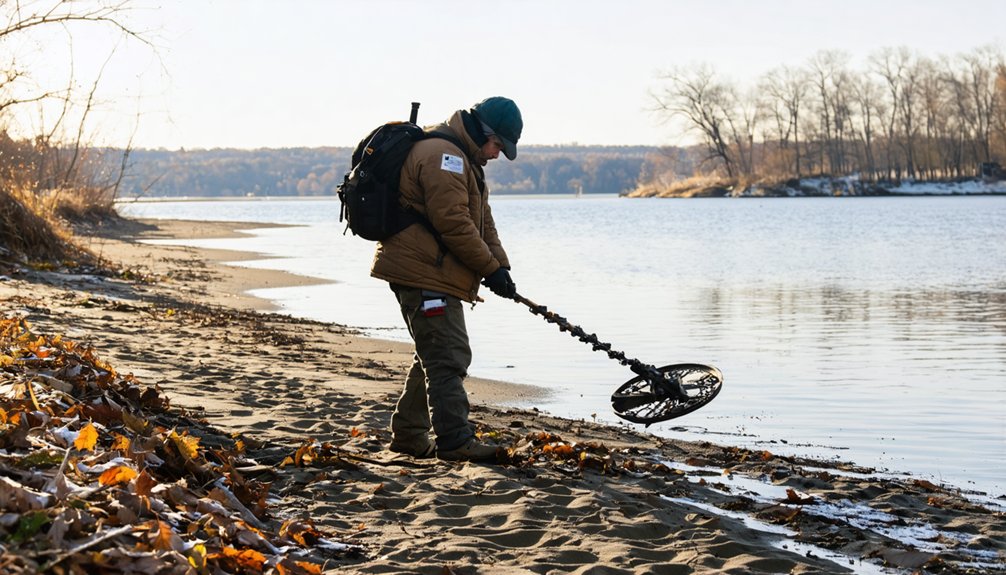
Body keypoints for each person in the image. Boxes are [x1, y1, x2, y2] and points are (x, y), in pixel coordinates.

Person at [370, 96, 522, 462]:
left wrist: (501, 267)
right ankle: (455, 441)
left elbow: (482, 221)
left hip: (431, 270)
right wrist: (489, 270)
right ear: (485, 132)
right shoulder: (444, 157)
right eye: (498, 145)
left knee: (434, 353)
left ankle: (408, 434)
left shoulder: (463, 158)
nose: (496, 155)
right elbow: (453, 226)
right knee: (449, 357)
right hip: (422, 271)